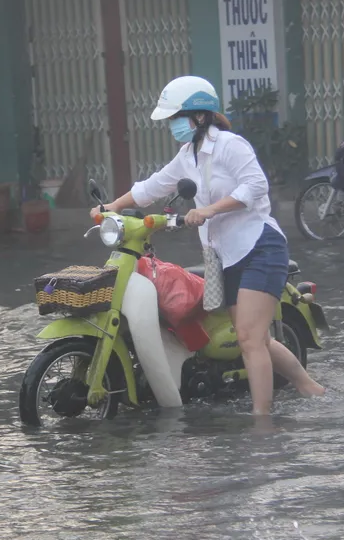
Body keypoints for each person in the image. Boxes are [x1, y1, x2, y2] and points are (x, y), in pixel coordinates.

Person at [89, 75, 325, 416]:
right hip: (223, 255)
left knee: (248, 338)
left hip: (259, 246)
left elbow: (256, 185)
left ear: (199, 116)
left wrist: (210, 210)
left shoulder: (231, 145)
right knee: (258, 339)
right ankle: (309, 387)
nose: (173, 126)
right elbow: (152, 186)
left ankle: (262, 423)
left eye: (176, 119)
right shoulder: (188, 155)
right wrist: (112, 207)